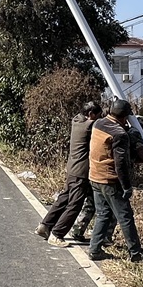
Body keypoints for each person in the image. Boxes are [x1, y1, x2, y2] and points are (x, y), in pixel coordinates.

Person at [86, 99, 143, 263]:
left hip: (95, 176)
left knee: (103, 214)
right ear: (125, 117)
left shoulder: (98, 123)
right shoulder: (119, 134)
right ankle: (136, 254)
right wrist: (126, 186)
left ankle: (94, 250)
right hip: (110, 180)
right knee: (125, 217)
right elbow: (120, 163)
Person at [34, 101, 102, 246]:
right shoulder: (89, 126)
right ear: (91, 114)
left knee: (63, 199)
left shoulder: (76, 120)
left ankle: (45, 225)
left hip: (72, 169)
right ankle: (57, 234)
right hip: (81, 172)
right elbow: (103, 126)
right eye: (98, 115)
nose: (99, 118)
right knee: (75, 204)